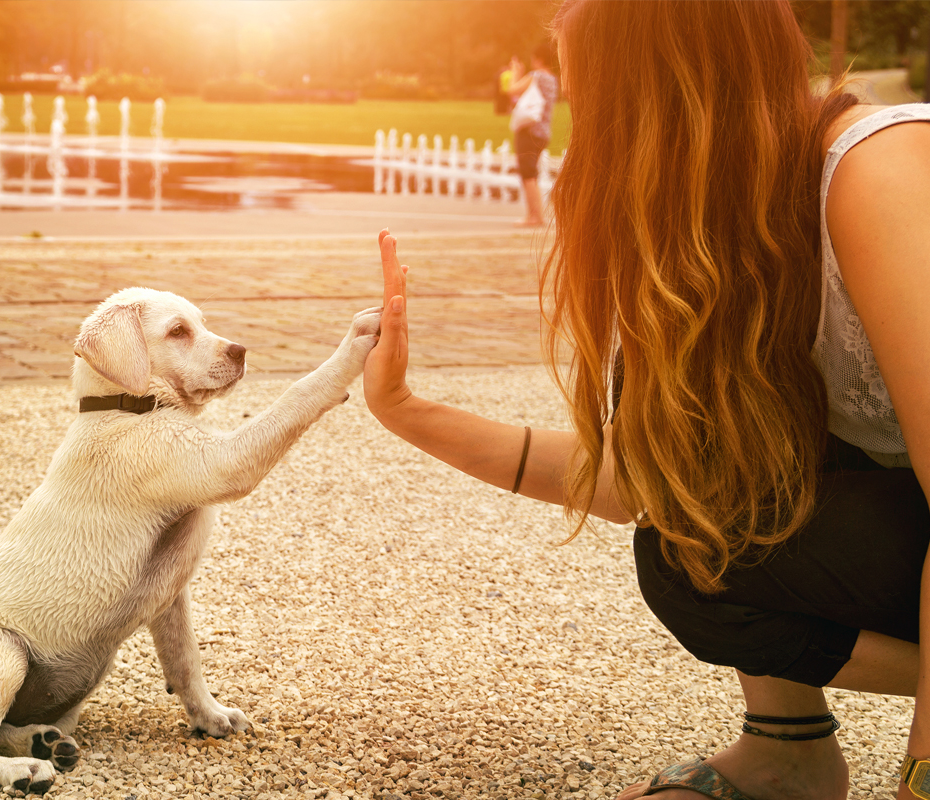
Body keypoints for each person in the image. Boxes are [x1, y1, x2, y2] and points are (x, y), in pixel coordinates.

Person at [363, 1, 930, 798]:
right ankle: (786, 755)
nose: (579, 138)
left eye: (592, 103)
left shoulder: (877, 169)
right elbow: (646, 488)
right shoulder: (726, 233)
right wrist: (406, 411)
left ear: (666, 97)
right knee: (690, 549)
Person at [507, 43, 557, 227]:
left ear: (539, 59)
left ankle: (534, 216)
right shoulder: (552, 79)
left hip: (530, 131)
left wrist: (515, 71)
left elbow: (512, 90)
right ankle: (535, 216)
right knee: (532, 173)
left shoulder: (536, 76)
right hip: (543, 132)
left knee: (528, 174)